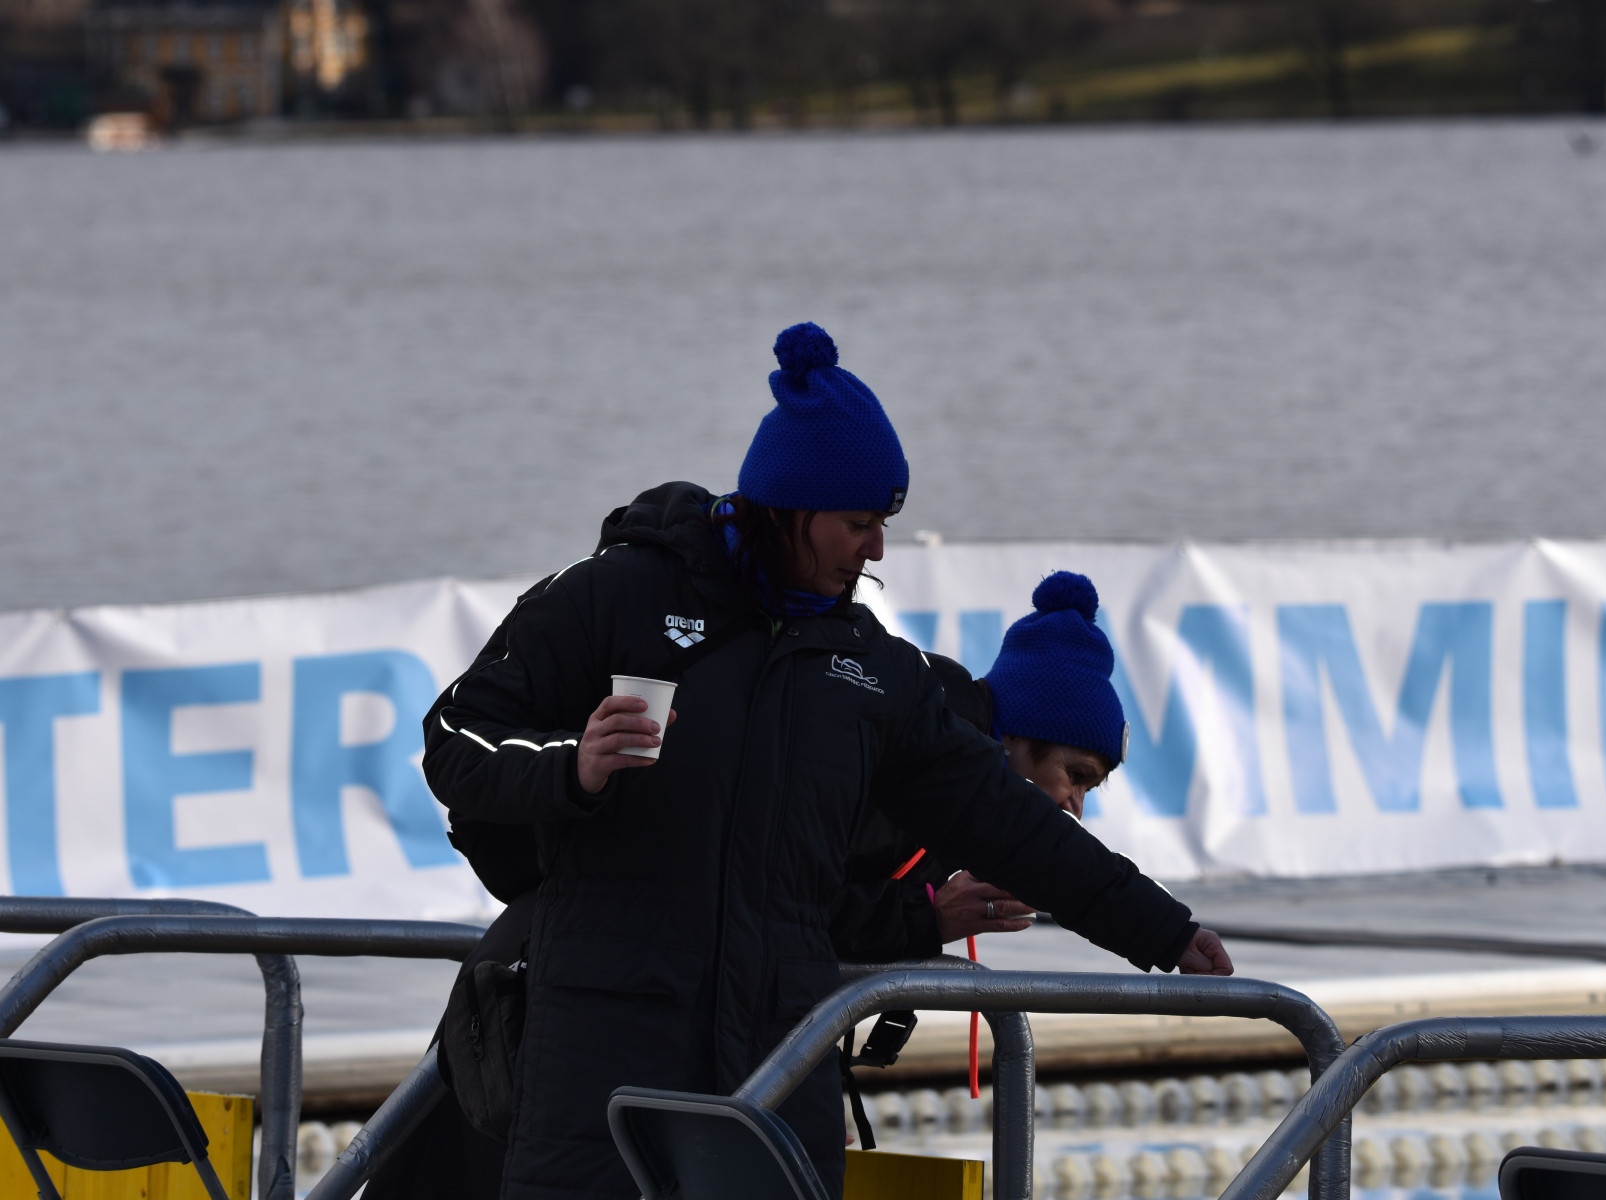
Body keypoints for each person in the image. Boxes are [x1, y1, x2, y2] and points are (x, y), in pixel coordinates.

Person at [410, 322, 1231, 1200]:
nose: (875, 549)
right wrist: (571, 767)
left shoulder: (870, 673)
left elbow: (1009, 820)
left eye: (883, 525)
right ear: (790, 509)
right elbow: (455, 736)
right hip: (606, 1042)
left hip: (777, 1047)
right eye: (859, 524)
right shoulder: (618, 594)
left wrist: (1161, 930)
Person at [832, 570, 1133, 962]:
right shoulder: (908, 761)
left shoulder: (956, 802)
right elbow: (786, 912)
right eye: (1075, 775)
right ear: (1011, 737)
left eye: (1087, 790)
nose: (1075, 807)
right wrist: (929, 914)